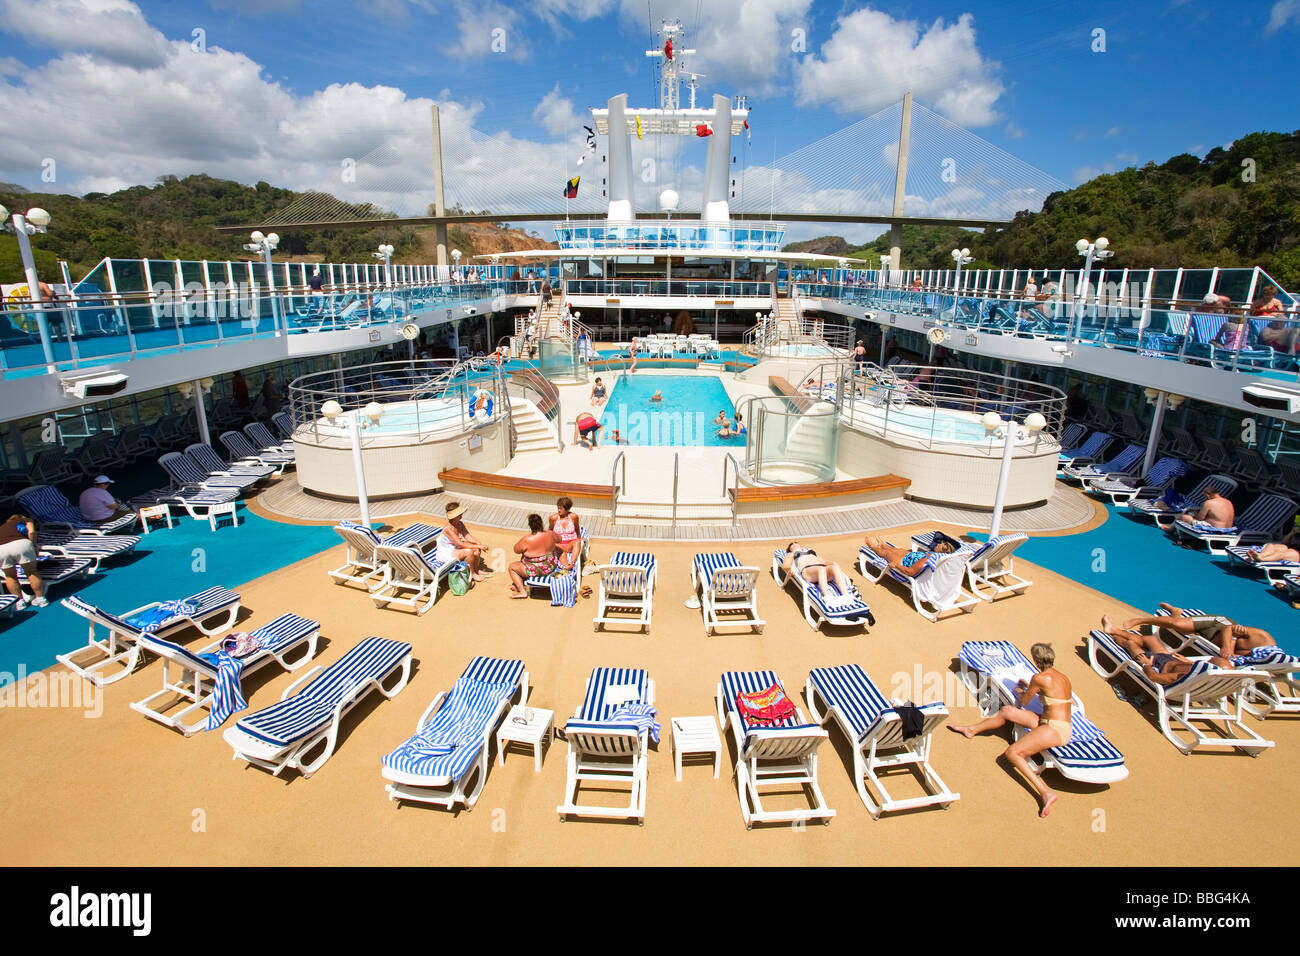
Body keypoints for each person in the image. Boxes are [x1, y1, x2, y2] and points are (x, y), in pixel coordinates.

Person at [947, 642, 1072, 818]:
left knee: (1012, 753)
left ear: (1036, 659)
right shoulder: (1062, 677)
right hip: (1056, 723)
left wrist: (1020, 690)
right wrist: (1029, 688)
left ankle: (1045, 792)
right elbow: (1052, 695)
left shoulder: (1039, 678)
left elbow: (1024, 701)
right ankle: (971, 730)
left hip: (1054, 729)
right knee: (1007, 712)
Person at [508, 514, 562, 598]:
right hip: (550, 566)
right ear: (542, 524)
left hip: (534, 571)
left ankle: (522, 591)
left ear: (530, 526)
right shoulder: (550, 534)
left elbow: (516, 550)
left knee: (512, 567)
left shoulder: (526, 539)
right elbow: (559, 539)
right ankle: (519, 584)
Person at [0, 512, 47, 609]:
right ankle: (41, 599)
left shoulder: (2, 527)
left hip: (1, 548)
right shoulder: (25, 520)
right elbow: (32, 532)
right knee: (31, 573)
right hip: (20, 544)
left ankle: (19, 602)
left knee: (10, 576)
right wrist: (34, 545)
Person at [780, 542, 856, 598]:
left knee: (834, 567)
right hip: (808, 571)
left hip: (820, 569)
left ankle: (846, 595)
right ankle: (827, 597)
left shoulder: (810, 552)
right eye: (791, 544)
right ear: (790, 549)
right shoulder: (791, 554)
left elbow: (823, 562)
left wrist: (833, 563)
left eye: (796, 543)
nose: (794, 544)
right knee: (821, 569)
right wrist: (791, 568)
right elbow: (785, 565)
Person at [861, 534, 955, 577]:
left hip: (904, 563)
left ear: (941, 551)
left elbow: (911, 571)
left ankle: (872, 546)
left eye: (940, 545)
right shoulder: (938, 557)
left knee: (887, 554)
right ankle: (883, 545)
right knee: (898, 550)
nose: (937, 544)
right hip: (911, 557)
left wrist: (896, 565)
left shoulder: (929, 558)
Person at [439, 502, 488, 582]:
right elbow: (460, 544)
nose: (461, 516)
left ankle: (476, 570)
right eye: (459, 515)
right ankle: (472, 574)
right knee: (469, 552)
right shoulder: (448, 529)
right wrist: (478, 546)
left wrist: (478, 543)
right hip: (446, 552)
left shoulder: (460, 524)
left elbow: (467, 536)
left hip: (455, 548)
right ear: (454, 516)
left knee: (476, 548)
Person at [549, 497, 582, 568]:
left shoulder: (573, 517)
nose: (558, 510)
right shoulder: (553, 518)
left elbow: (577, 527)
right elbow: (550, 530)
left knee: (577, 542)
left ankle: (572, 563)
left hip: (570, 544)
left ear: (567, 509)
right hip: (560, 545)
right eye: (558, 508)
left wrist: (579, 537)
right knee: (559, 549)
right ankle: (567, 566)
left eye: (561, 508)